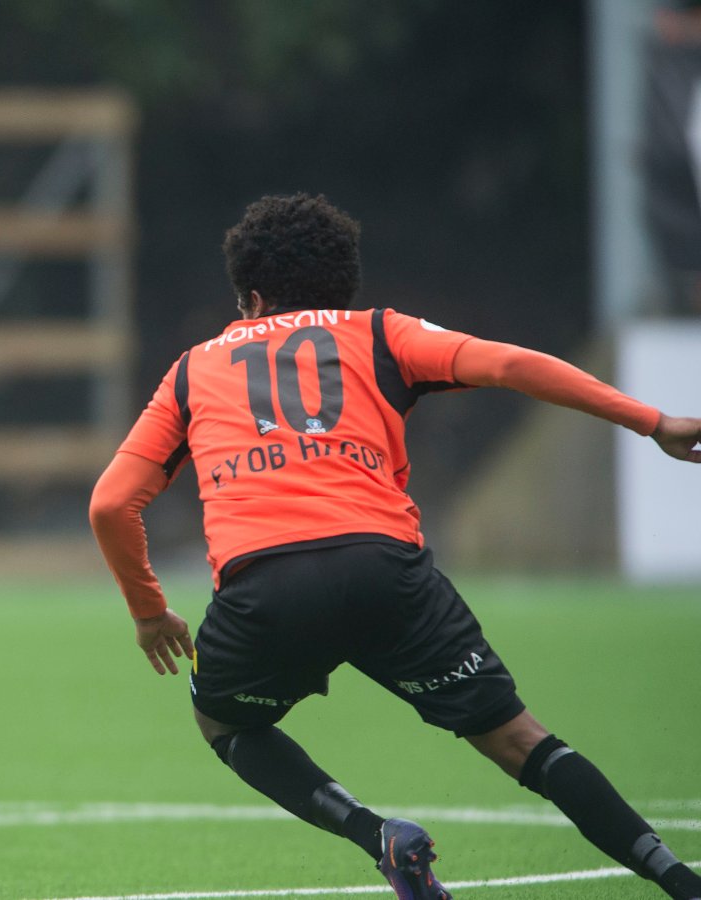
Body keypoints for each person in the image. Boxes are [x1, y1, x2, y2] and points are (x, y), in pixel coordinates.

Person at [89, 193, 701, 900]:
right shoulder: (380, 333)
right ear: (340, 284)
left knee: (223, 723)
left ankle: (377, 834)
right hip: (385, 570)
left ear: (252, 299)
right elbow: (509, 365)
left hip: (266, 585)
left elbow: (110, 503)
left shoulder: (193, 369)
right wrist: (652, 421)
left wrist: (149, 611)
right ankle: (678, 880)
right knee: (520, 742)